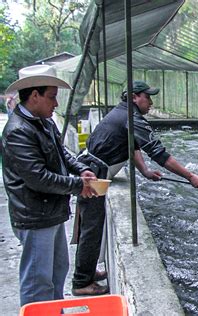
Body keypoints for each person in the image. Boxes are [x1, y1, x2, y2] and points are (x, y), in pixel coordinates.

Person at [72, 80, 198, 296]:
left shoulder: (123, 114)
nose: (151, 102)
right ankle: (81, 283)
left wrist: (144, 171)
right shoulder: (131, 118)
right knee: (91, 228)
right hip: (94, 174)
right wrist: (190, 176)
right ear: (134, 97)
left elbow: (132, 146)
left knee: (92, 226)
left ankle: (86, 273)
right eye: (148, 96)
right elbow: (159, 153)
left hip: (94, 169)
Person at [2, 64, 97, 306]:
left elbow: (62, 153)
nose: (56, 104)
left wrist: (80, 169)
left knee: (57, 270)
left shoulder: (44, 122)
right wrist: (78, 185)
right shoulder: (18, 131)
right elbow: (38, 178)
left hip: (50, 212)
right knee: (38, 280)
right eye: (52, 97)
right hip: (34, 215)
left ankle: (54, 309)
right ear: (35, 96)